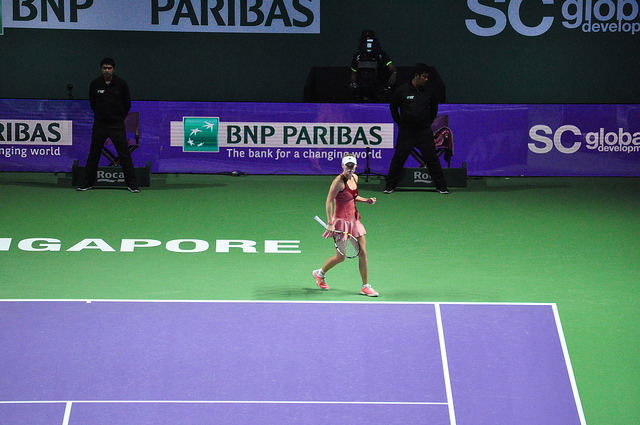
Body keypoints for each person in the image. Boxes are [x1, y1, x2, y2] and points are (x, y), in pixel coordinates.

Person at [312, 154, 379, 297]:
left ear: (355, 166)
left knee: (363, 252)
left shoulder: (355, 178)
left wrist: (366, 201)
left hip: (354, 221)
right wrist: (330, 223)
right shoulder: (338, 182)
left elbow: (353, 198)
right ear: (342, 166)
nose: (350, 168)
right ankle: (319, 273)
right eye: (347, 166)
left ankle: (365, 286)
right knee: (340, 257)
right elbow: (329, 201)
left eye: (352, 166)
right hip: (340, 224)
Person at [383, 63, 449, 195]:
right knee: (398, 159)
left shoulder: (429, 92)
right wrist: (399, 122)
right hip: (406, 131)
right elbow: (393, 107)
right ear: (416, 76)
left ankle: (441, 186)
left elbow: (434, 109)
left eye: (427, 77)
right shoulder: (402, 90)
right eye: (424, 77)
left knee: (432, 159)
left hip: (424, 131)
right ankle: (390, 186)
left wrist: (427, 122)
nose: (426, 79)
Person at [78, 57, 139, 192]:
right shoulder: (95, 84)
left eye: (109, 68)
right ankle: (87, 183)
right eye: (104, 68)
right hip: (100, 124)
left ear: (113, 69)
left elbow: (127, 104)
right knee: (94, 154)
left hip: (116, 125)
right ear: (101, 69)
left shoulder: (121, 84)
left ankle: (132, 185)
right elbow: (93, 103)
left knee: (124, 155)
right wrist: (102, 116)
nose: (107, 71)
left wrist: (117, 117)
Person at [349, 30, 398, 102]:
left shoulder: (379, 54)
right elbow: (353, 72)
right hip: (363, 92)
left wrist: (394, 74)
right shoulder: (359, 56)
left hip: (377, 89)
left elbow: (353, 73)